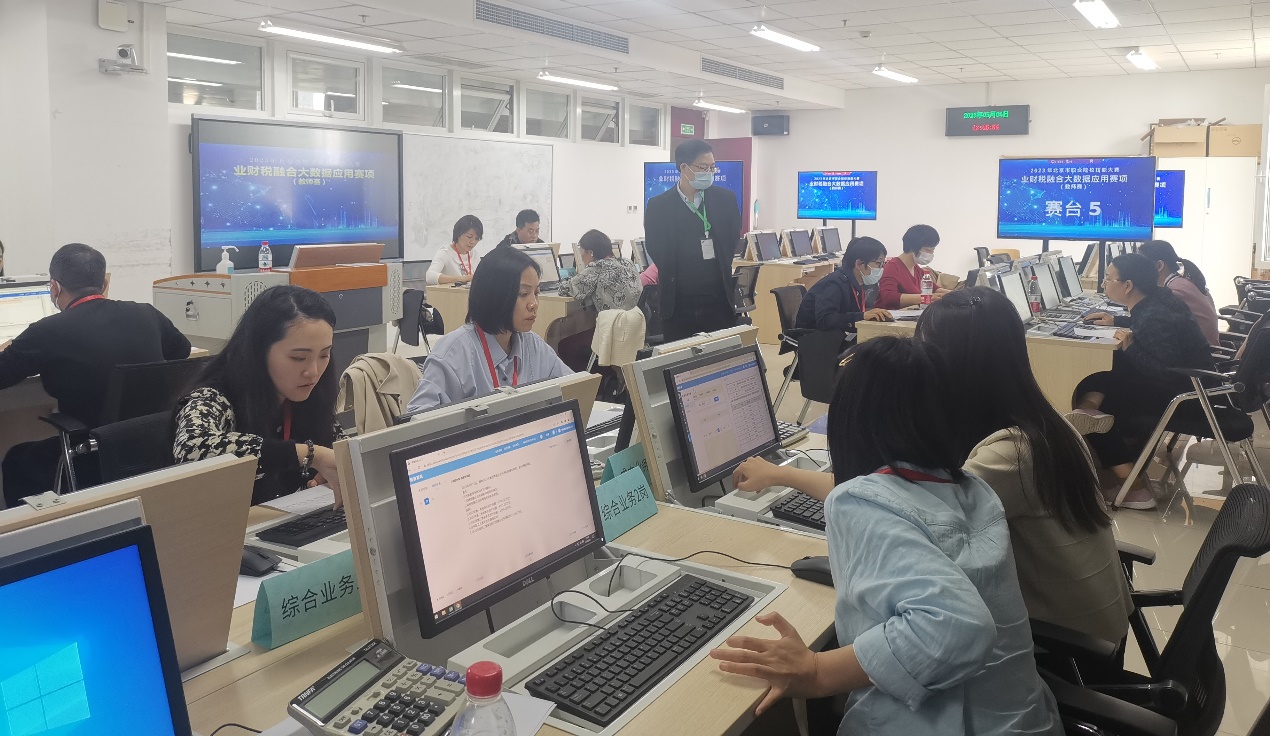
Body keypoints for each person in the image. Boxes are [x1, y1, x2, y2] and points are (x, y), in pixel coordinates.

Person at [737, 286, 1133, 644]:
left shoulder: (1008, 455)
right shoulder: (1044, 424)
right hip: (1084, 617)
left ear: (954, 367)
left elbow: (897, 508)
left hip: (1064, 642)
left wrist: (780, 474)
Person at [713, 337, 1060, 735]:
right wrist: (783, 475)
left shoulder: (858, 503)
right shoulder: (971, 489)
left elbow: (958, 625)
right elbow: (895, 501)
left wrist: (817, 671)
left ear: (850, 418)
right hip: (1026, 719)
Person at [1, 243, 191, 507]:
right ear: (104, 284)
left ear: (54, 288)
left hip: (88, 454)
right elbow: (182, 351)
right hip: (151, 447)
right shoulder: (148, 313)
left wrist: (14, 349)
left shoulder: (46, 331)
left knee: (16, 459)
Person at [172, 285, 342, 506]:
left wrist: (334, 470)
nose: (314, 371)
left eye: (324, 355)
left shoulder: (310, 394)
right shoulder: (212, 396)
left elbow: (339, 447)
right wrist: (310, 454)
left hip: (285, 518)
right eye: (299, 358)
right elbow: (192, 449)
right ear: (259, 352)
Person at [1074, 253, 1215, 509]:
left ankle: (1135, 489)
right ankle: (1089, 407)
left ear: (1128, 285)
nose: (1104, 284)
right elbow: (1147, 327)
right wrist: (1117, 321)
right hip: (1191, 386)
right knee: (1109, 370)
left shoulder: (1154, 316)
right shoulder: (1157, 301)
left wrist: (1130, 348)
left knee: (1101, 409)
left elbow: (1163, 371)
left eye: (1108, 279)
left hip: (1183, 397)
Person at [407, 247, 571, 412]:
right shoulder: (453, 354)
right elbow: (418, 417)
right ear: (495, 296)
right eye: (523, 294)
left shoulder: (533, 345)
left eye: (536, 293)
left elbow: (573, 387)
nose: (534, 304)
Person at [644, 140, 742, 341]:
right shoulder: (658, 206)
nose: (709, 172)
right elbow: (655, 247)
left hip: (718, 298)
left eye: (712, 167)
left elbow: (732, 237)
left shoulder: (726, 200)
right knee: (681, 356)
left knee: (720, 354)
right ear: (684, 168)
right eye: (703, 167)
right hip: (678, 301)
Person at [794, 236, 892, 332]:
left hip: (837, 336)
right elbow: (825, 320)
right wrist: (861, 316)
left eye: (883, 263)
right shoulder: (833, 284)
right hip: (814, 338)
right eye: (878, 263)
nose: (881, 268)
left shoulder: (854, 282)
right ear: (859, 264)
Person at [1138, 240, 1219, 346]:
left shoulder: (1174, 291)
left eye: (1141, 266)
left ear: (1159, 266)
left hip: (1200, 352)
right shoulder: (1181, 282)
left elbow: (1152, 322)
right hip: (1204, 348)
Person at [557, 230, 642, 313]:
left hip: (612, 320)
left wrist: (566, 280)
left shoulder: (597, 268)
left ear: (590, 252)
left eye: (581, 252)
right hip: (635, 319)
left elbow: (565, 289)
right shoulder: (628, 263)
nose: (581, 257)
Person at [876, 224, 948, 309]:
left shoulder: (917, 269)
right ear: (913, 247)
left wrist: (953, 294)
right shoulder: (892, 268)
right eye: (928, 250)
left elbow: (934, 288)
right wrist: (926, 298)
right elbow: (888, 297)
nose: (931, 254)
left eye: (933, 250)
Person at [427, 215, 483, 286]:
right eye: (469, 237)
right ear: (458, 234)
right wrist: (461, 279)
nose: (473, 242)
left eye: (477, 239)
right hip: (452, 292)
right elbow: (430, 276)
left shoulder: (474, 254)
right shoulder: (445, 252)